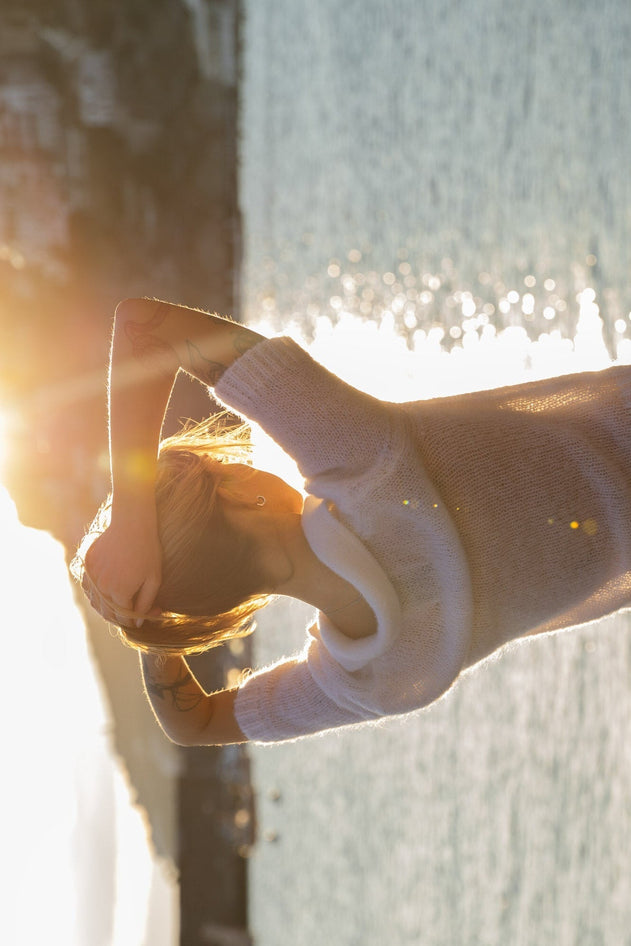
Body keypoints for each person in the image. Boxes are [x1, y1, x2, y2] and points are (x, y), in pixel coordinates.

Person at [75, 297, 631, 746]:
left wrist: (149, 618)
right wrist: (133, 514)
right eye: (224, 466)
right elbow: (143, 327)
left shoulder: (375, 677)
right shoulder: (363, 462)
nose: (239, 461)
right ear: (244, 497)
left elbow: (192, 725)